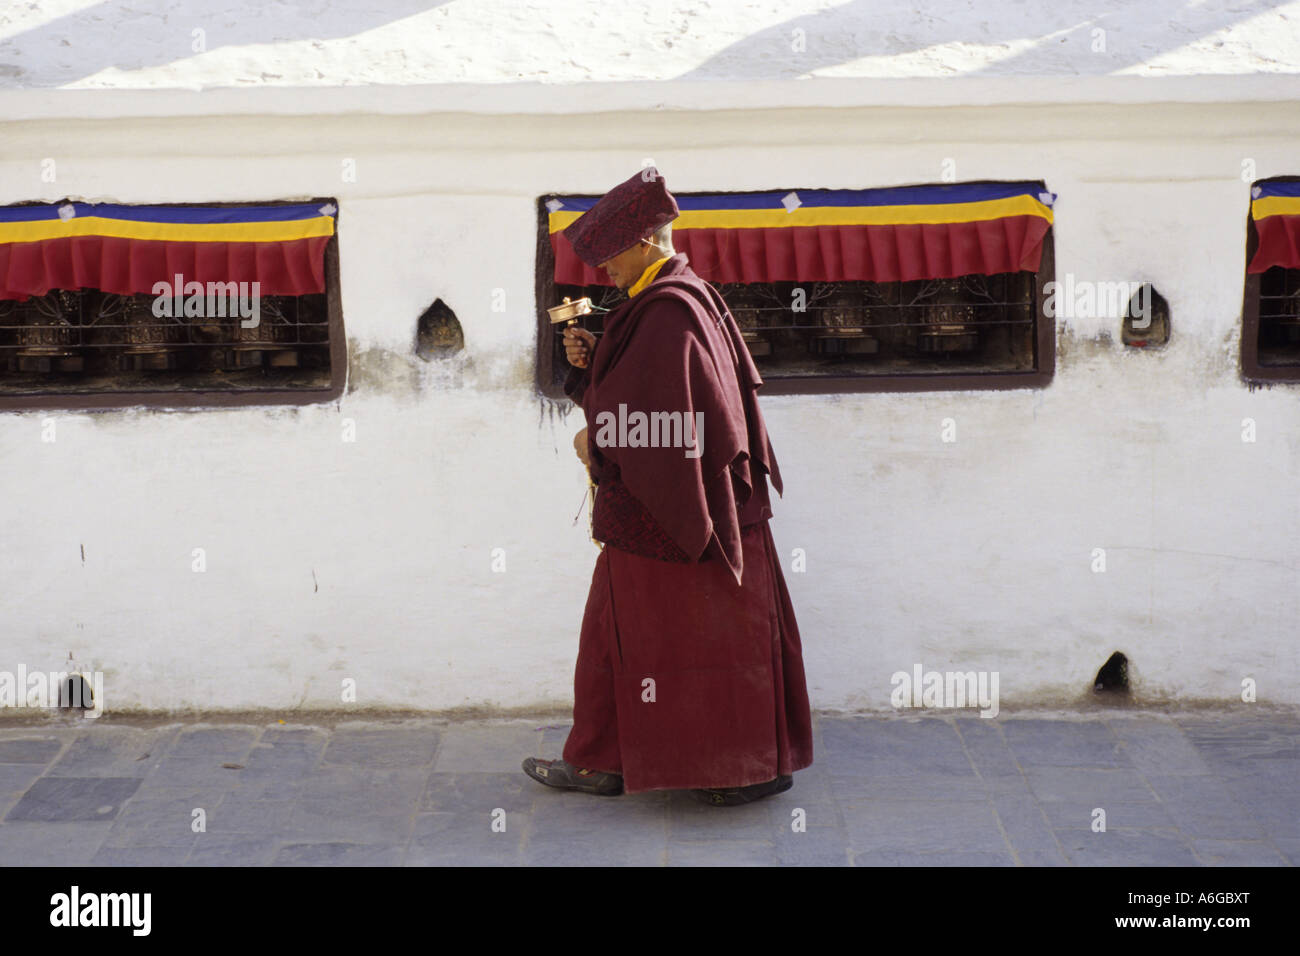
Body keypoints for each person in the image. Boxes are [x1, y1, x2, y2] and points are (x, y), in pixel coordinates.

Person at [522, 167, 813, 806]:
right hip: (682, 509)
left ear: (649, 242)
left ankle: (741, 767)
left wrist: (594, 444)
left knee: (697, 639)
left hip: (683, 514)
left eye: (609, 256)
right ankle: (606, 760)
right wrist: (591, 368)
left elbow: (661, 430)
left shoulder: (669, 312)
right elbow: (649, 400)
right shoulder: (672, 299)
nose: (602, 272)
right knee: (620, 629)